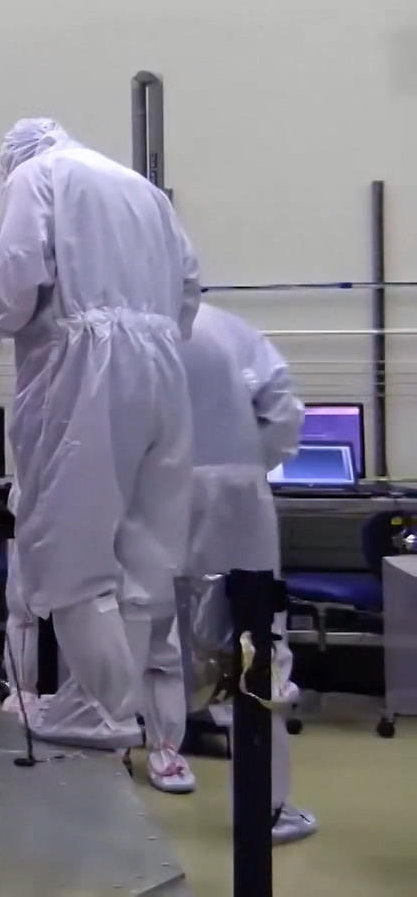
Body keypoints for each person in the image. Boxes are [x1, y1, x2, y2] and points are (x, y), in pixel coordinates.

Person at [0, 118, 200, 790]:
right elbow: (189, 284)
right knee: (144, 551)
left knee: (68, 549)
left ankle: (101, 710)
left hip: (87, 365)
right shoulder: (144, 191)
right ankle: (138, 716)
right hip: (163, 370)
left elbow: (11, 284)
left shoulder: (35, 176)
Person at [178, 302, 316, 843]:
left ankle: (111, 784)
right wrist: (244, 464)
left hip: (138, 496)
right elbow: (283, 412)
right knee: (253, 648)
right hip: (230, 500)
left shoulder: (97, 329)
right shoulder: (221, 328)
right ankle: (266, 809)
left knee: (137, 635)